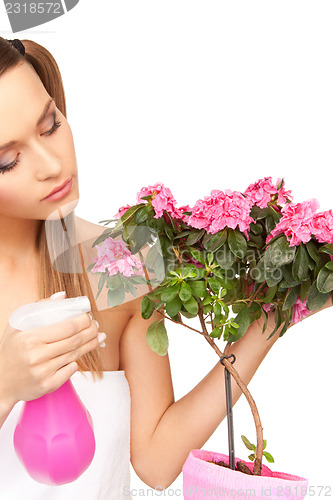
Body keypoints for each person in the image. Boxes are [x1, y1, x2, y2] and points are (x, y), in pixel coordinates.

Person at [0, 38, 331, 499]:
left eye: (51, 125)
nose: (53, 165)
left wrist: (272, 318)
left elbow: (156, 463)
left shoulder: (120, 261)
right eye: (7, 160)